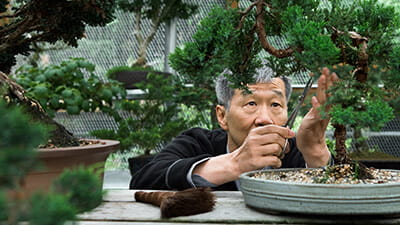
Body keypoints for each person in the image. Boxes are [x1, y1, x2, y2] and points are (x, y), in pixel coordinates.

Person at [130, 66, 338, 191]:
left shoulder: (297, 151)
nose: (264, 119)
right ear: (222, 116)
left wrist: (317, 153)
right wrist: (236, 163)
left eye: (275, 105)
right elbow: (142, 181)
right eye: (251, 104)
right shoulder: (198, 143)